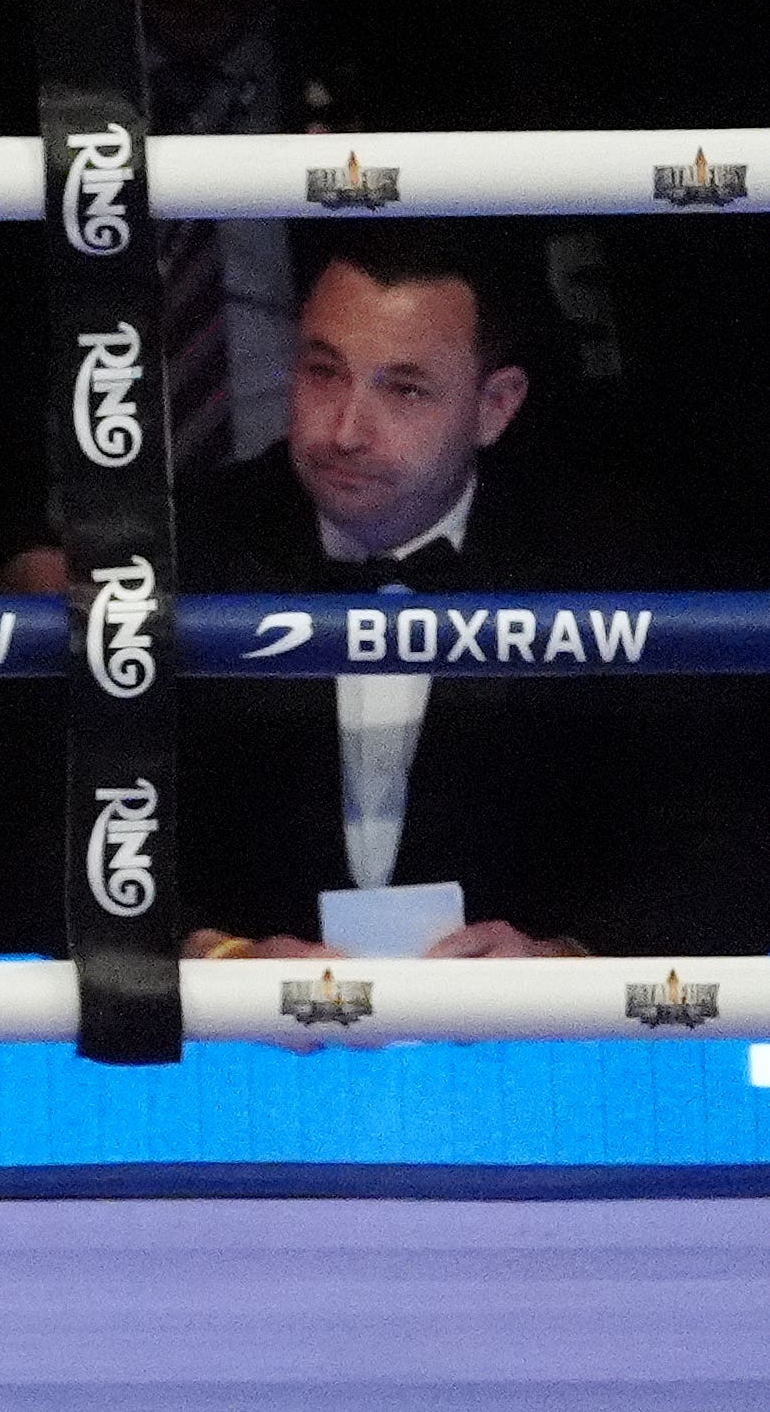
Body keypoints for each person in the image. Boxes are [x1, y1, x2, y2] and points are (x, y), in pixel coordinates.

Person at [177, 239, 763, 960]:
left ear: (495, 406)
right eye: (323, 371)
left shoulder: (610, 563)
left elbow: (722, 842)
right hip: (230, 1057)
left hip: (532, 1059)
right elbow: (67, 833)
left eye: (404, 389)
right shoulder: (183, 547)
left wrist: (563, 962)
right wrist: (216, 958)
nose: (344, 431)